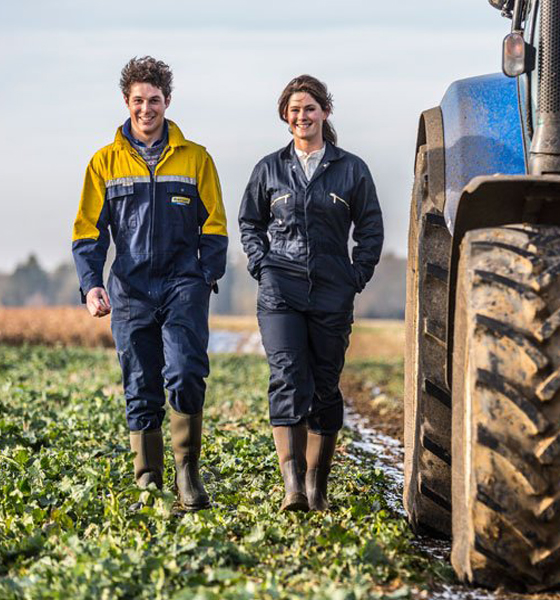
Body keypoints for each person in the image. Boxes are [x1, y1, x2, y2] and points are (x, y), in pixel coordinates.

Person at [72, 56, 228, 511]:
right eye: (138, 100)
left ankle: (187, 472)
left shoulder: (197, 158)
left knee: (184, 371)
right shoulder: (104, 163)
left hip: (184, 283)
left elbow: (215, 225)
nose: (146, 109)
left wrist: (204, 276)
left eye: (154, 100)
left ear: (168, 101)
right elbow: (88, 231)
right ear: (127, 102)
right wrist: (91, 285)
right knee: (139, 382)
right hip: (131, 288)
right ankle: (148, 480)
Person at [238, 75, 384, 511]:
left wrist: (356, 275)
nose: (303, 116)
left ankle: (318, 489)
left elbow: (371, 226)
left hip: (331, 292)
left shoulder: (351, 168)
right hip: (279, 291)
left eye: (310, 108)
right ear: (286, 116)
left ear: (325, 112)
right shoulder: (269, 168)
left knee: (324, 386)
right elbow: (249, 222)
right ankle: (293, 488)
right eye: (295, 109)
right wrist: (261, 265)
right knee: (287, 378)